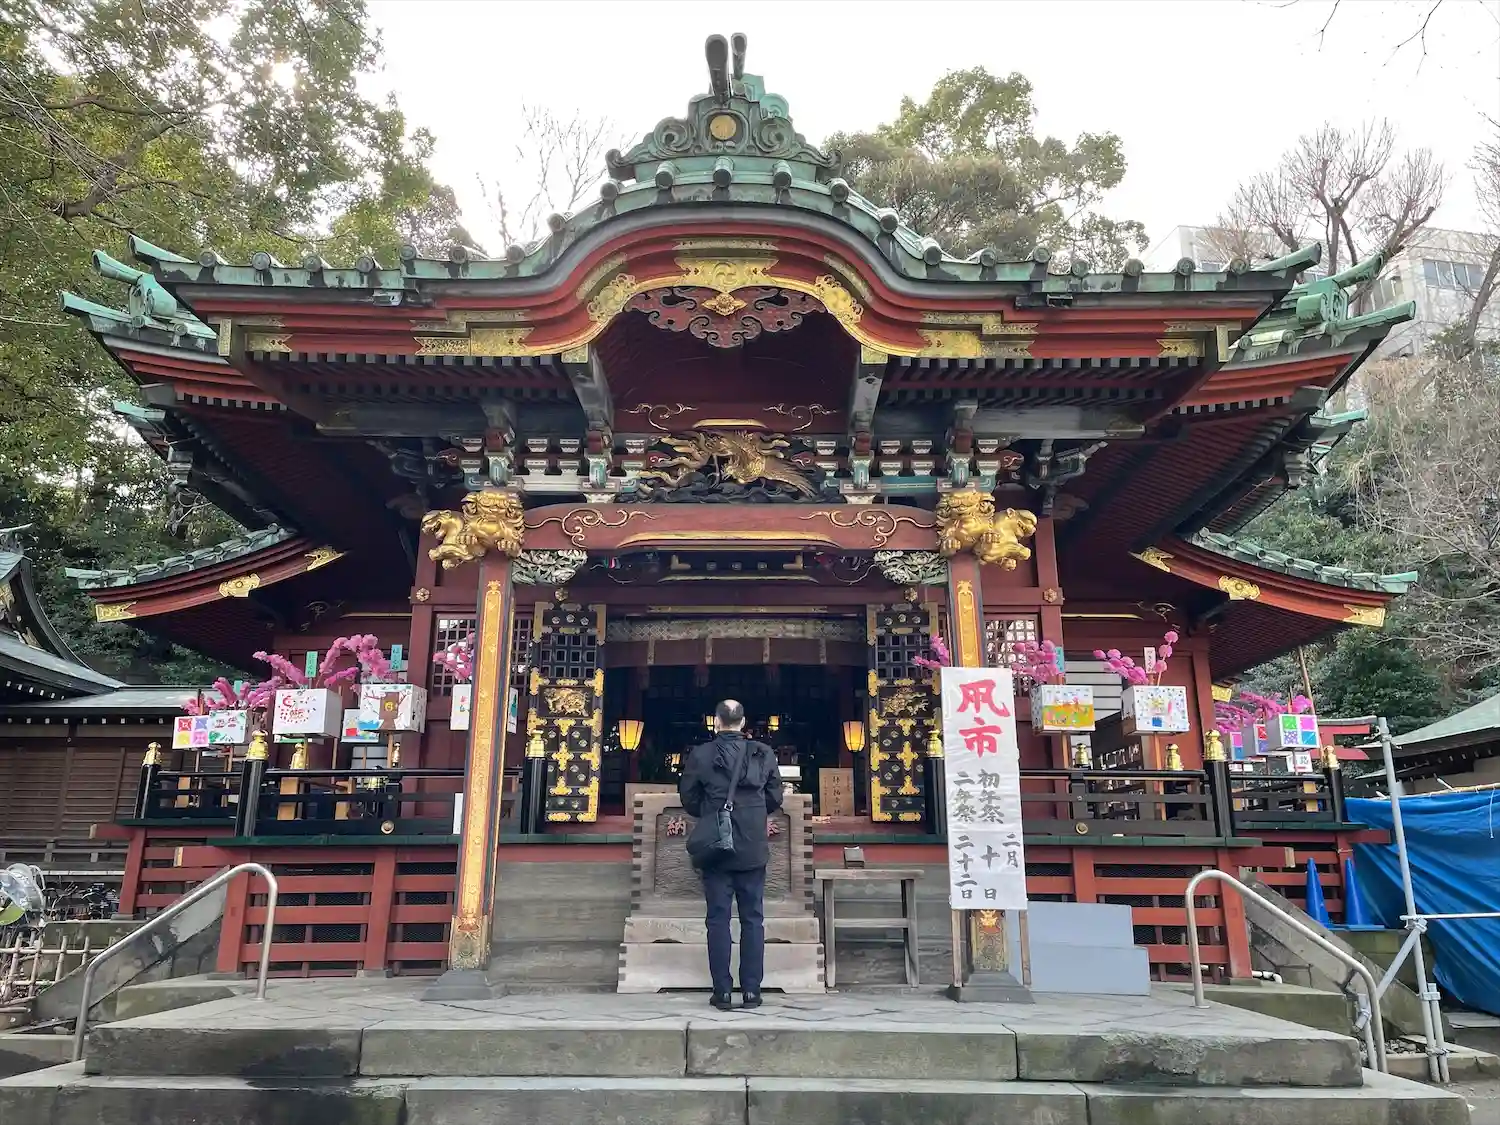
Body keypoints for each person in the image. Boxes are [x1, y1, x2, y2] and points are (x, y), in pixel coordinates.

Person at [679, 698, 784, 1010]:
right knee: (753, 919)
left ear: (716, 722)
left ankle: (722, 992)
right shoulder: (762, 752)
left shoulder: (701, 754)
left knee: (717, 919)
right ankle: (751, 991)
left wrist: (713, 812)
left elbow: (688, 798)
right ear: (743, 722)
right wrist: (752, 813)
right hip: (753, 845)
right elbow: (775, 797)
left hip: (716, 845)